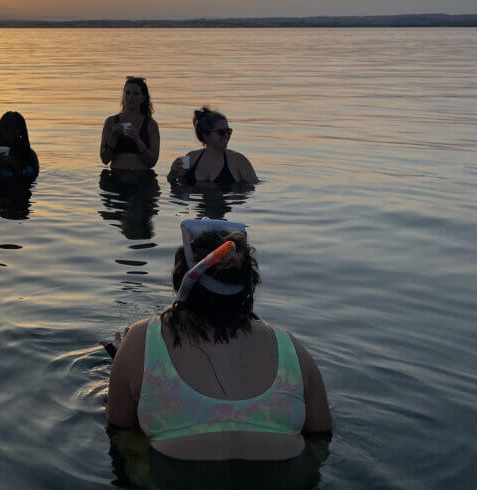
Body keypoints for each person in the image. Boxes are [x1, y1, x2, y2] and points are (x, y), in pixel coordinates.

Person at [106, 218, 332, 461]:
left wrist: (126, 361)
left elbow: (119, 427)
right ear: (249, 285)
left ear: (181, 281)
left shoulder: (141, 340)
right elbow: (321, 437)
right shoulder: (291, 349)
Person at [168, 106, 258, 186]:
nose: (227, 135)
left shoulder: (239, 161)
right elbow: (181, 195)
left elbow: (253, 191)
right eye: (221, 132)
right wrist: (172, 175)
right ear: (205, 136)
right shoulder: (190, 158)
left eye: (229, 131)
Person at [100, 77, 160, 171]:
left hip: (141, 178)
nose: (130, 97)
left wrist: (137, 139)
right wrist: (113, 136)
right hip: (116, 176)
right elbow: (105, 159)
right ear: (123, 95)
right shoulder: (111, 122)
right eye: (127, 93)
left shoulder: (150, 125)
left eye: (135, 94)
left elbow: (152, 162)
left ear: (143, 98)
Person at [0, 112, 39, 189]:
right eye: (5, 128)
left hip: (23, 198)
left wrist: (15, 168)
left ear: (21, 131)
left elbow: (34, 182)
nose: (9, 131)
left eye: (14, 128)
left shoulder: (30, 155)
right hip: (1, 197)